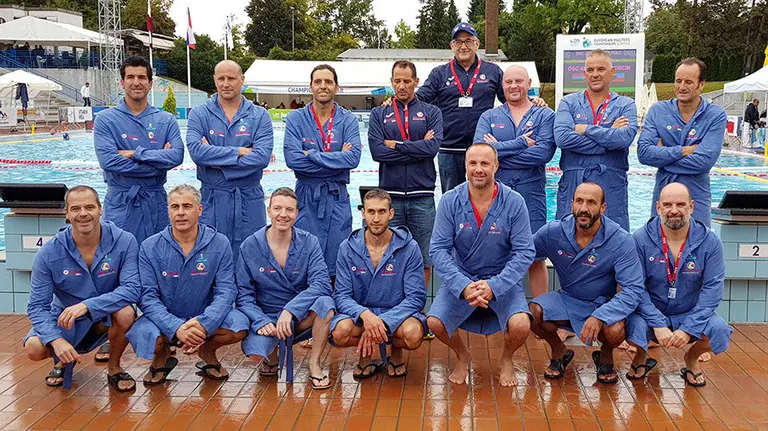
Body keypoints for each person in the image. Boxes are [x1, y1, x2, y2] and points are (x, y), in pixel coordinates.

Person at [427, 143, 535, 386]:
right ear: (465, 166)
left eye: (485, 163)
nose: (478, 169)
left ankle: (506, 357)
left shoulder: (514, 202)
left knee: (521, 324)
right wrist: (463, 285)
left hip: (501, 279)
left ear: (496, 166)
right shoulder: (450, 201)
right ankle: (462, 355)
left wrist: (495, 285)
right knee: (435, 322)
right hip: (463, 278)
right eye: (473, 163)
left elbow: (525, 252)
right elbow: (438, 250)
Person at [127, 185, 249, 383]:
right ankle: (161, 358)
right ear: (168, 211)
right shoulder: (150, 246)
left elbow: (226, 291)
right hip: (164, 316)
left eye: (187, 206)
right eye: (175, 207)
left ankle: (207, 352)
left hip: (203, 313)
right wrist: (176, 327)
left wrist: (204, 322)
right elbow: (147, 296)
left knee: (239, 327)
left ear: (199, 210)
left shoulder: (219, 243)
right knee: (146, 335)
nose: (181, 213)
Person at [23, 186, 140, 392]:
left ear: (100, 209)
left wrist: (87, 306)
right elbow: (37, 306)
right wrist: (55, 340)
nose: (83, 213)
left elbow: (132, 289)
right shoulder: (49, 253)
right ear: (66, 214)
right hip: (65, 318)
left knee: (126, 313)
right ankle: (62, 359)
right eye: (76, 208)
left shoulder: (124, 241)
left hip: (104, 313)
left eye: (89, 207)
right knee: (34, 348)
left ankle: (114, 367)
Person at [530, 182, 648, 384]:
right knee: (533, 314)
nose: (584, 208)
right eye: (579, 201)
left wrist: (601, 315)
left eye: (591, 202)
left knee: (615, 331)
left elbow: (633, 290)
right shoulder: (553, 233)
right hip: (569, 299)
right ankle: (559, 350)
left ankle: (606, 353)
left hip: (604, 302)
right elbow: (523, 255)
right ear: (572, 204)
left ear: (603, 208)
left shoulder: (620, 240)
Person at [625, 183, 732, 385]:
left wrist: (688, 328)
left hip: (688, 312)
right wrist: (657, 323)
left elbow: (713, 291)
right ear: (658, 208)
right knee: (627, 326)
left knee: (719, 330)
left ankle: (691, 358)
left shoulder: (710, 242)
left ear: (691, 207)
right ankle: (641, 353)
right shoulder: (640, 239)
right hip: (650, 311)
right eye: (667, 205)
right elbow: (636, 287)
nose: (674, 210)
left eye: (680, 204)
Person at [235, 188, 335, 389]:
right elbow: (243, 294)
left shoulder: (309, 242)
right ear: (268, 211)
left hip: (299, 316)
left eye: (289, 210)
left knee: (325, 304)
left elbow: (322, 283)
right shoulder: (250, 246)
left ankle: (314, 363)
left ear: (297, 213)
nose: (283, 214)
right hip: (268, 317)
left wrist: (291, 310)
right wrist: (260, 320)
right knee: (256, 352)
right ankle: (271, 357)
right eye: (278, 208)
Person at [474, 64, 556, 299]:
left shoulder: (544, 115)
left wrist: (497, 151)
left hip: (532, 192)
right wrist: (520, 143)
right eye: (509, 82)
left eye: (519, 81)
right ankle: (496, 308)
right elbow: (480, 153)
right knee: (496, 251)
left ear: (529, 84)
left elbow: (543, 154)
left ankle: (541, 312)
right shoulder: (489, 116)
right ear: (502, 86)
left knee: (535, 254)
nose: (514, 86)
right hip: (497, 195)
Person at [330, 189, 427, 379]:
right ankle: (366, 356)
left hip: (397, 314)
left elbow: (416, 298)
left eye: (381, 212)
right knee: (339, 333)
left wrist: (383, 321)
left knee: (413, 335)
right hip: (362, 315)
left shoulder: (409, 247)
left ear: (391, 213)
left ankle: (395, 354)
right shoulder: (347, 248)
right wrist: (365, 316)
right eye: (371, 212)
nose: (376, 218)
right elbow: (341, 295)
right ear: (363, 213)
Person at [94, 55, 184, 245]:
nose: (136, 82)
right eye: (131, 77)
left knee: (158, 259)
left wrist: (134, 154)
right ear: (122, 82)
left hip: (156, 203)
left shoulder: (166, 120)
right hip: (121, 204)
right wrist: (158, 163)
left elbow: (176, 156)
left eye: (142, 78)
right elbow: (108, 161)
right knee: (118, 260)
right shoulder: (105, 119)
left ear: (150, 84)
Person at [187, 60, 274, 258]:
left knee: (253, 255)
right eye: (221, 78)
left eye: (231, 78)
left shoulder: (259, 115)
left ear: (242, 80)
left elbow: (261, 158)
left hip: (248, 199)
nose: (226, 83)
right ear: (214, 81)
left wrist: (216, 160)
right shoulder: (200, 114)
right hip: (212, 199)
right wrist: (240, 151)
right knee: (210, 256)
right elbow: (196, 153)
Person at [283, 64, 362, 280]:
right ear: (311, 87)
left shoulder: (347, 120)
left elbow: (353, 158)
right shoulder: (296, 119)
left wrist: (312, 155)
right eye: (318, 82)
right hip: (307, 196)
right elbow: (292, 159)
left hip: (337, 197)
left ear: (337, 87)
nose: (323, 86)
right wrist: (337, 159)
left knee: (339, 259)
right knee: (304, 257)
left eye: (328, 82)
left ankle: (335, 309)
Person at [369, 60, 443, 288]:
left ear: (416, 82)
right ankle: (391, 307)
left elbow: (432, 149)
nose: (402, 86)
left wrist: (396, 145)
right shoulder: (379, 113)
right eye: (397, 81)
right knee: (387, 255)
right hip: (389, 198)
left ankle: (417, 310)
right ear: (391, 82)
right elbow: (377, 152)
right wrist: (417, 147)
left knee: (424, 258)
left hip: (422, 196)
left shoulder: (431, 112)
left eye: (407, 81)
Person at [415, 23, 505, 193]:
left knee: (486, 194)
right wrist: (395, 102)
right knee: (451, 197)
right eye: (459, 42)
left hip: (482, 147)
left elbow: (510, 99)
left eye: (468, 41)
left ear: (477, 44)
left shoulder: (493, 71)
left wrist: (532, 103)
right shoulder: (439, 73)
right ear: (452, 46)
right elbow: (420, 99)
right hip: (449, 148)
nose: (464, 46)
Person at [553, 49, 638, 231]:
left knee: (614, 240)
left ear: (612, 72)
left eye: (601, 69)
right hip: (574, 181)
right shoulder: (568, 102)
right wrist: (607, 137)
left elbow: (624, 139)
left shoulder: (625, 104)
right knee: (567, 238)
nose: (595, 74)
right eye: (590, 70)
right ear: (584, 74)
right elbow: (562, 138)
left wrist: (585, 129)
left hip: (610, 182)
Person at [637, 58, 727, 227]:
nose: (681, 86)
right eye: (678, 81)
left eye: (688, 82)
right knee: (659, 247)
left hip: (696, 195)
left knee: (699, 247)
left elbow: (704, 161)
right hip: (664, 194)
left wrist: (662, 158)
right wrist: (683, 151)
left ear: (701, 85)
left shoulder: (715, 115)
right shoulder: (658, 111)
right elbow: (643, 153)